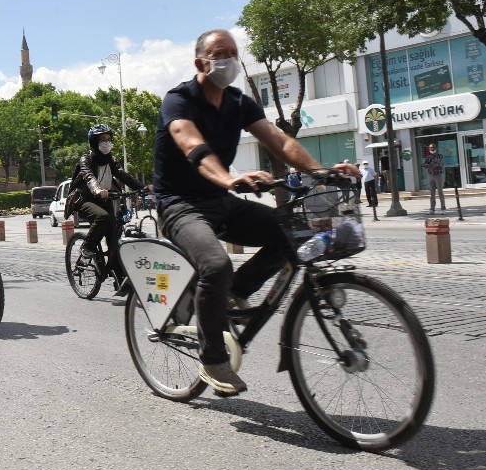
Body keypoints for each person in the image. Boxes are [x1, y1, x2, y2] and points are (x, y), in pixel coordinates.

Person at [153, 29, 359, 397]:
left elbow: (279, 140)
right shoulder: (178, 100)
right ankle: (212, 356)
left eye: (234, 52)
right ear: (201, 62)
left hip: (221, 199)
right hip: (179, 204)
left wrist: (320, 170)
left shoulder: (238, 102)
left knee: (290, 237)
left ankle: (231, 294)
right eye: (221, 53)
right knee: (215, 265)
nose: (230, 60)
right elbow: (191, 144)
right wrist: (229, 178)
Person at [69, 123, 146, 286]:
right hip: (85, 200)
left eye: (109, 139)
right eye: (102, 139)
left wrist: (144, 188)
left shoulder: (111, 160)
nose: (107, 142)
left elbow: (123, 175)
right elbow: (89, 176)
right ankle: (87, 248)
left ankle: (120, 279)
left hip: (105, 199)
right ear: (94, 142)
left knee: (114, 238)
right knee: (103, 218)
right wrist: (97, 189)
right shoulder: (86, 159)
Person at [422, 143, 446, 215]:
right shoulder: (428, 157)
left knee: (440, 192)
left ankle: (443, 208)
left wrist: (430, 165)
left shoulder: (440, 156)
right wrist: (431, 165)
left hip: (438, 175)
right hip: (431, 175)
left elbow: (439, 165)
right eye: (430, 148)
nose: (431, 149)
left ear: (436, 148)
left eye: (433, 147)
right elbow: (424, 165)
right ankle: (432, 209)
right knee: (432, 193)